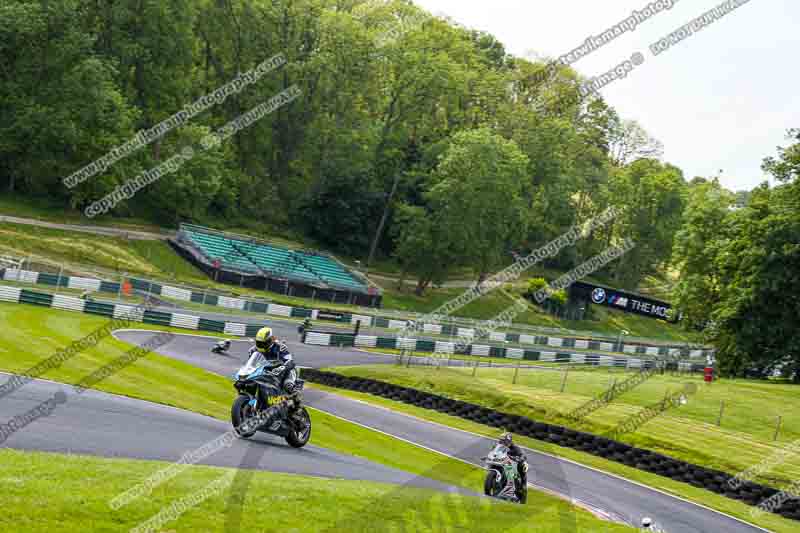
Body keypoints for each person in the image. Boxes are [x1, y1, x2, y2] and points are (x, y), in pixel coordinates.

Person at [251, 326, 297, 394]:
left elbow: (290, 361)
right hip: (264, 372)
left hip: (281, 371)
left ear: (270, 340)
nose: (261, 345)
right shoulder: (253, 350)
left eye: (263, 343)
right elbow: (251, 364)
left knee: (287, 384)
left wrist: (282, 368)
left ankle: (294, 395)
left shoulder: (280, 347)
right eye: (259, 343)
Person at [499, 432, 529, 499]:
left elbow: (522, 455)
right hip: (505, 464)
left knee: (523, 466)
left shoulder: (515, 448)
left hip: (517, 464)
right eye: (501, 440)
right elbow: (495, 453)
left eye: (504, 441)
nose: (502, 442)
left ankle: (523, 486)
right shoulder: (499, 447)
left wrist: (520, 458)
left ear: (508, 441)